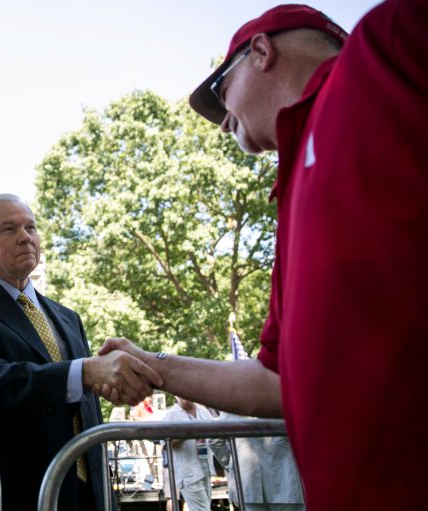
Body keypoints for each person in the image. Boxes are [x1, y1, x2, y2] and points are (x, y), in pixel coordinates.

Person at [97, 2, 428, 510]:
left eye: (221, 92)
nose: (223, 119)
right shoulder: (291, 198)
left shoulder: (383, 46)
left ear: (260, 51)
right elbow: (273, 380)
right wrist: (154, 363)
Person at [0, 193, 162, 511]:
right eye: (9, 229)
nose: (26, 237)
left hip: (85, 491)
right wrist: (85, 371)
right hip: (11, 489)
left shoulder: (67, 317)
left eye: (31, 227)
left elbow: (80, 397)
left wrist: (115, 382)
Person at [219, 413, 304, 511]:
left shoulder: (232, 405)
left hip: (248, 486)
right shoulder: (281, 400)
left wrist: (234, 466)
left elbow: (215, 440)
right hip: (286, 483)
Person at [162, 398, 219, 511]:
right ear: (176, 396)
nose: (184, 397)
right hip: (188, 473)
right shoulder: (171, 414)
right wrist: (188, 433)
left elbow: (215, 435)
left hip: (205, 469)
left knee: (204, 507)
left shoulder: (203, 411)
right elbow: (167, 443)